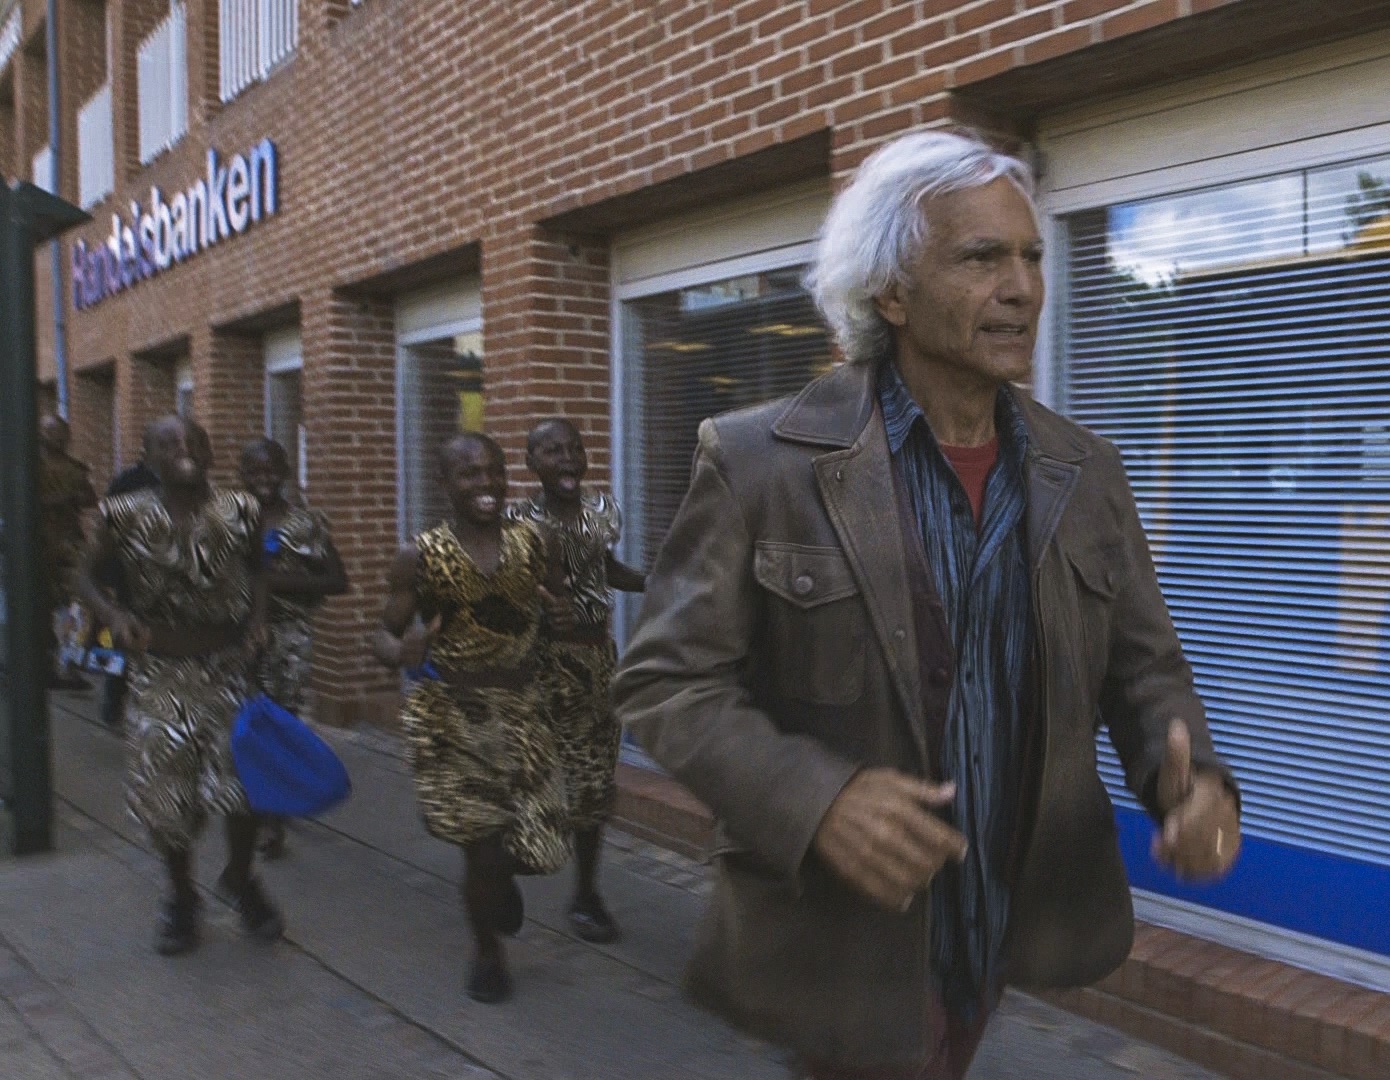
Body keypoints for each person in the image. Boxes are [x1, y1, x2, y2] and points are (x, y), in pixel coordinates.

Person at [611, 129, 1242, 1080]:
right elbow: (665, 682)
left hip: (999, 921)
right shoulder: (760, 464)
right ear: (892, 293)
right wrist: (816, 798)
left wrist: (1188, 786)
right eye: (982, 258)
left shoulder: (1087, 470)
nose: (1023, 287)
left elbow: (1145, 670)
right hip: (844, 942)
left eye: (1031, 255)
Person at [375, 432, 573, 1004]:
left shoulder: (537, 541)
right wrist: (401, 651)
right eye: (469, 474)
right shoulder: (420, 556)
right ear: (446, 483)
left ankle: (499, 879)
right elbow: (381, 635)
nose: (485, 483)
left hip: (524, 712)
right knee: (480, 847)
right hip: (454, 718)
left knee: (546, 849)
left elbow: (556, 605)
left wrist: (562, 615)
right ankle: (487, 951)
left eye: (492, 471)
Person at [77, 415, 284, 957]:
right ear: (149, 458)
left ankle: (240, 875)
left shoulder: (241, 509)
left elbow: (259, 569)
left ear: (211, 452)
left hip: (228, 666)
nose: (183, 449)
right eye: (168, 444)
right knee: (167, 796)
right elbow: (84, 576)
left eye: (193, 441)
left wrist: (259, 619)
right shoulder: (123, 514)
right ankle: (181, 896)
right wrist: (113, 616)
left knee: (241, 788)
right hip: (160, 671)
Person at [509, 418, 647, 944]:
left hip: (595, 661)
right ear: (531, 463)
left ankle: (587, 896)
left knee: (593, 783)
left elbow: (603, 568)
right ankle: (501, 867)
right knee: (532, 778)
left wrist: (652, 581)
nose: (567, 459)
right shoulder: (517, 522)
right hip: (537, 665)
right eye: (552, 451)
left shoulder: (601, 511)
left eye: (574, 448)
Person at [238, 438, 349, 858]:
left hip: (288, 638)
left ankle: (272, 817)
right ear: (242, 474)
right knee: (241, 723)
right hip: (236, 637)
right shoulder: (228, 521)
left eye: (271, 469)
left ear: (285, 472)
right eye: (254, 471)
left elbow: (337, 580)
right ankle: (250, 803)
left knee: (279, 722)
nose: (263, 478)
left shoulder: (304, 524)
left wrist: (274, 582)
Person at [97, 431, 161, 728]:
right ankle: (113, 701)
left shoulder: (176, 482)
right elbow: (109, 527)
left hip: (162, 576)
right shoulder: (127, 482)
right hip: (128, 573)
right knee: (121, 642)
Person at [38, 413, 98, 690]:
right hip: (38, 543)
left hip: (70, 542)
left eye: (62, 433)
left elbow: (90, 498)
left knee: (81, 601)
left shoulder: (75, 468)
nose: (58, 439)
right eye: (51, 432)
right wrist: (57, 500)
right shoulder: (29, 465)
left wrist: (78, 497)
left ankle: (70, 661)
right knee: (39, 606)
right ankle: (44, 665)